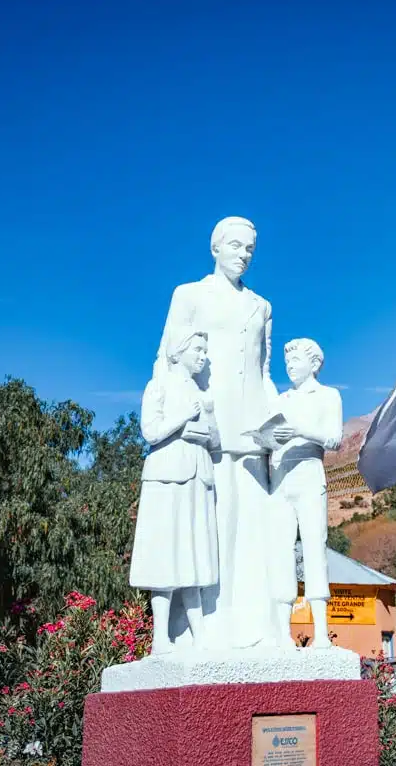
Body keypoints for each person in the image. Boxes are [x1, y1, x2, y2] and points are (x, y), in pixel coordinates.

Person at [156, 216, 280, 648]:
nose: (244, 254)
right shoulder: (189, 296)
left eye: (250, 248)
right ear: (215, 248)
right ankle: (201, 626)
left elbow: (265, 372)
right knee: (206, 524)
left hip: (251, 432)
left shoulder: (261, 306)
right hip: (205, 430)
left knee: (252, 525)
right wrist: (165, 418)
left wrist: (277, 417)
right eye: (236, 246)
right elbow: (167, 359)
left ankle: (255, 626)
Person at [130, 328, 219, 654]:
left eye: (204, 349)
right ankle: (160, 639)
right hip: (167, 474)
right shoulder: (159, 386)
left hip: (198, 474)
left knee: (194, 554)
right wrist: (184, 419)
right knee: (164, 556)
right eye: (197, 348)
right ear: (179, 351)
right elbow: (151, 431)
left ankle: (200, 635)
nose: (202, 355)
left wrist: (205, 422)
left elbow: (215, 440)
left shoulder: (203, 393)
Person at [268, 338, 343, 648]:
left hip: (310, 474)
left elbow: (335, 439)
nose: (290, 366)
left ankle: (322, 633)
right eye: (287, 362)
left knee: (314, 548)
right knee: (281, 550)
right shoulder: (280, 398)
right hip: (280, 476)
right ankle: (282, 632)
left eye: (296, 360)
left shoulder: (328, 396)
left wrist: (299, 430)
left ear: (313, 364)